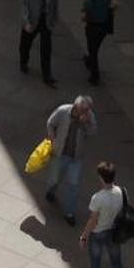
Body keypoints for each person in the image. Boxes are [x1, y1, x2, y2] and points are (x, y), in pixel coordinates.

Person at [77, 160, 133, 268]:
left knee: (95, 266)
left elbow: (93, 220)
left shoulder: (98, 198)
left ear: (101, 178)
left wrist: (84, 236)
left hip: (98, 234)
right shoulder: (122, 192)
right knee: (117, 264)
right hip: (114, 232)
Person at [42, 94, 95, 223]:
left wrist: (86, 123)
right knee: (55, 178)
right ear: (76, 107)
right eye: (83, 110)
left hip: (76, 157)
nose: (86, 112)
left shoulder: (90, 116)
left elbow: (93, 132)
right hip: (60, 152)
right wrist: (52, 137)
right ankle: (51, 190)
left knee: (73, 185)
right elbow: (50, 123)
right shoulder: (63, 111)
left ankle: (69, 213)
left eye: (87, 110)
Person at [20, 0, 59, 87]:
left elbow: (54, 4)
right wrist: (26, 22)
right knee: (25, 44)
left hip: (46, 21)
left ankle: (47, 75)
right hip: (32, 21)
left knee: (46, 49)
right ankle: (23, 62)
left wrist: (53, 21)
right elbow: (24, 4)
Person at [81, 0, 115, 86]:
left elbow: (84, 16)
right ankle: (89, 60)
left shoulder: (89, 1)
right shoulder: (106, 0)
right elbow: (114, 6)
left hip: (92, 27)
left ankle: (94, 75)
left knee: (93, 50)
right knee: (95, 48)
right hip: (103, 28)